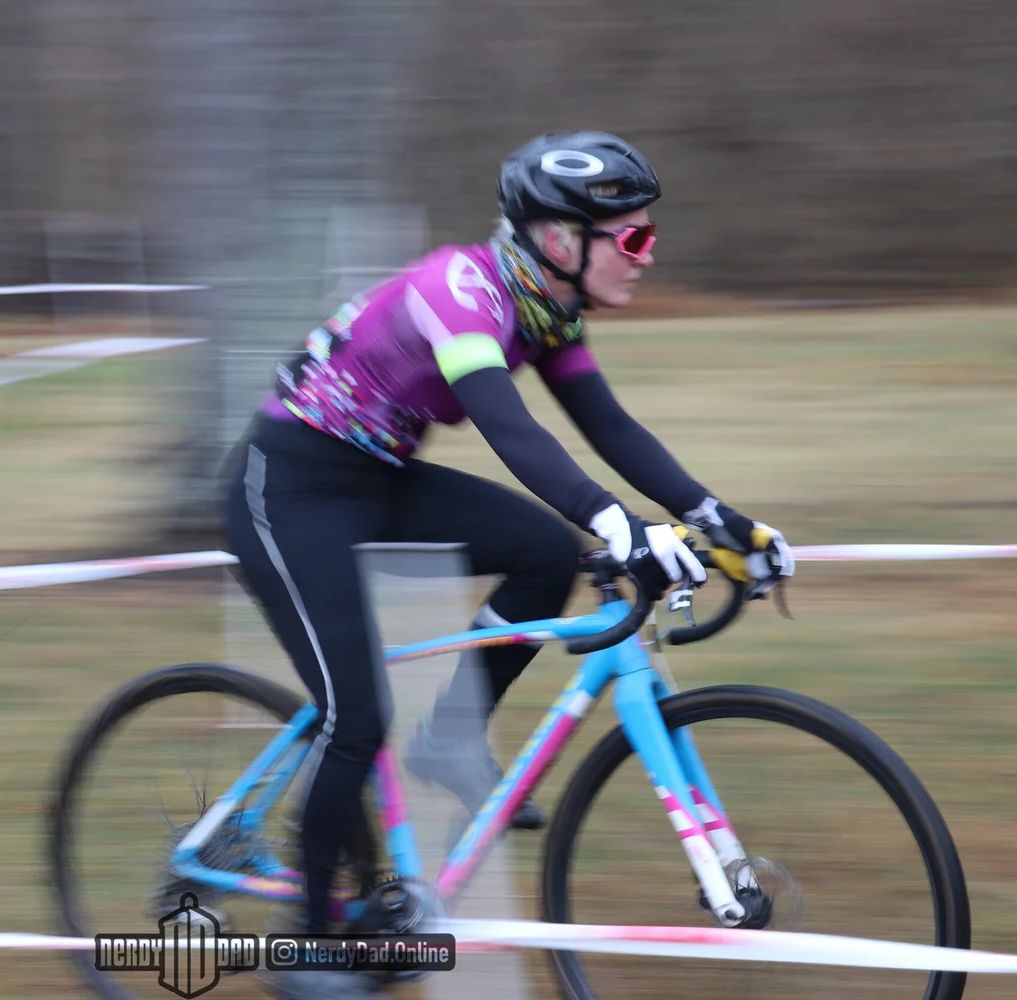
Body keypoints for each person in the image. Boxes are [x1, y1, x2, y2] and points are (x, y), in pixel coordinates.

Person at [222, 131, 794, 997]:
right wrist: (621, 525)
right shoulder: (460, 290)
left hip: (375, 478)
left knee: (544, 552)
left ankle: (450, 736)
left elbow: (610, 428)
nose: (648, 253)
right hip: (288, 485)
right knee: (357, 714)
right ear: (561, 238)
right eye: (633, 236)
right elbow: (508, 427)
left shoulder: (547, 309)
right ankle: (302, 945)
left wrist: (725, 524)